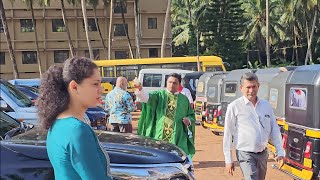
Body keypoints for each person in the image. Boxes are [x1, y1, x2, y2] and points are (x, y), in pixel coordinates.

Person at [37, 57, 112, 180]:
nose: (101, 90)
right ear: (74, 87)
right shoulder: (77, 130)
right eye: (95, 84)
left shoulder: (57, 123)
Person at [223, 72, 284, 180]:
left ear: (258, 86)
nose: (251, 90)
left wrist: (280, 152)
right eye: (248, 87)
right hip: (245, 153)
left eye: (254, 86)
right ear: (241, 88)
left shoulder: (266, 105)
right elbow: (228, 134)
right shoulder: (234, 107)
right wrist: (228, 160)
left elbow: (274, 129)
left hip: (263, 153)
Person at [134, 73, 196, 157]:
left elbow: (191, 115)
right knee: (159, 155)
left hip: (178, 135)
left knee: (176, 157)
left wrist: (188, 120)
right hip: (159, 133)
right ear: (166, 83)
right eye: (169, 82)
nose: (171, 85)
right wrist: (140, 89)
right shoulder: (159, 95)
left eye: (175, 83)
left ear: (179, 85)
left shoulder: (184, 99)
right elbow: (146, 98)